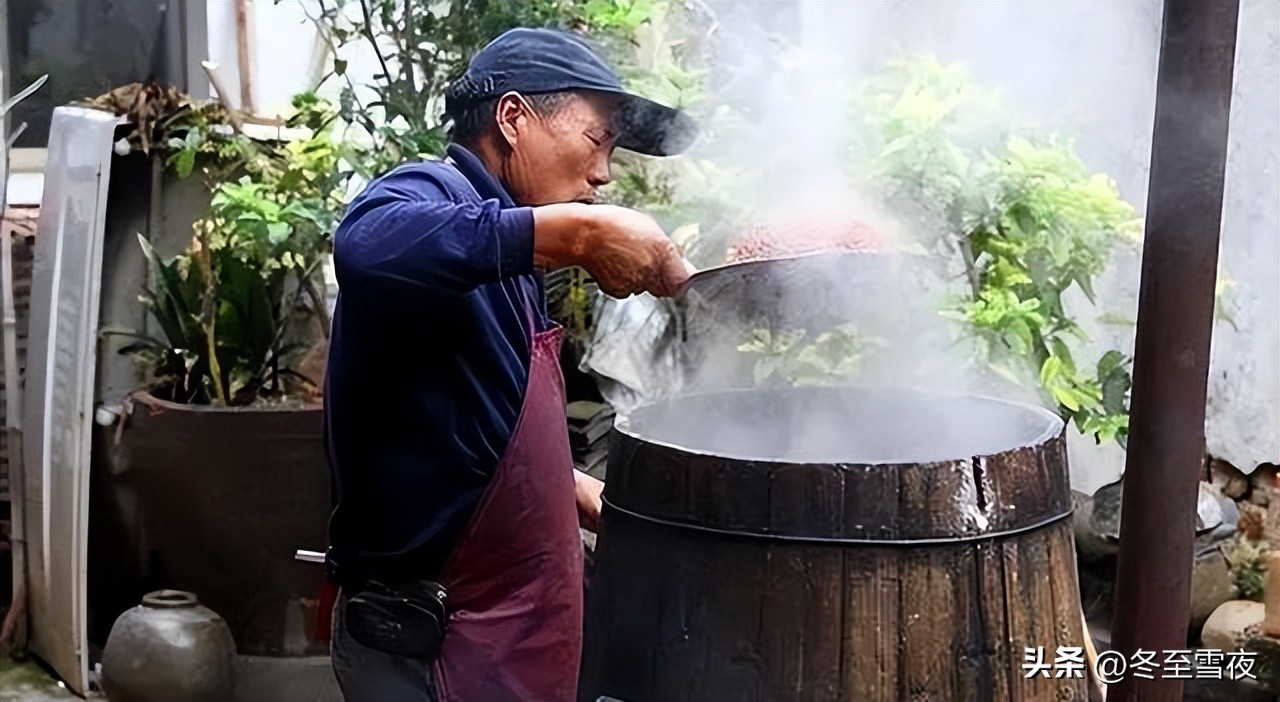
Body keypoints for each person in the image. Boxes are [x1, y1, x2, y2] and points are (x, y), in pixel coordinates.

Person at [323, 27, 697, 702]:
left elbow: (477, 425)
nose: (604, 172)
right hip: (427, 651)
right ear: (514, 118)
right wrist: (580, 234)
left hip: (511, 640)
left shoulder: (515, 256)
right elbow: (366, 244)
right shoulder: (432, 192)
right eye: (597, 139)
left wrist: (580, 491)